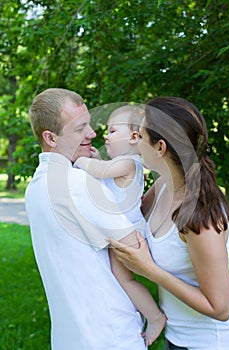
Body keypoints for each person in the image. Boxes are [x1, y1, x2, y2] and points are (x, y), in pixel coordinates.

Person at [109, 96, 229, 350]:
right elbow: (126, 214)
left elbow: (221, 308)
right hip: (176, 340)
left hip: (214, 344)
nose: (136, 144)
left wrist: (150, 270)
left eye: (140, 137)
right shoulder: (163, 185)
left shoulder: (202, 215)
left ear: (160, 147)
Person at [25, 88, 151, 350]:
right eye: (80, 127)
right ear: (51, 137)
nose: (92, 133)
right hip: (110, 335)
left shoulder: (35, 187)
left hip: (70, 336)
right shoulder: (77, 182)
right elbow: (137, 250)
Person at [74, 105, 166, 346]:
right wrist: (95, 159)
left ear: (134, 137)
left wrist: (82, 160)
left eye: (112, 131)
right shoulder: (124, 164)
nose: (106, 135)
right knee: (120, 279)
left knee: (125, 280)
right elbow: (105, 176)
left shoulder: (130, 163)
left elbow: (102, 171)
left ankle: (155, 317)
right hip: (123, 230)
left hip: (128, 232)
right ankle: (143, 315)